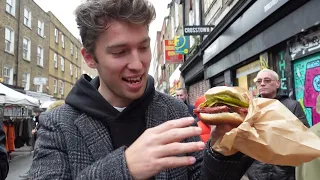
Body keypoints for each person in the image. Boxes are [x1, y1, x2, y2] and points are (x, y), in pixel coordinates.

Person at [28, 0, 254, 179]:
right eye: (119, 52)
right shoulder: (57, 124)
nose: (137, 64)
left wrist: (223, 148)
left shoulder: (175, 110)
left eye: (144, 47)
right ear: (90, 57)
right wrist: (124, 167)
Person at [245, 68, 310, 180]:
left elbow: (304, 136)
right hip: (257, 171)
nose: (262, 84)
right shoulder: (250, 108)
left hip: (284, 171)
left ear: (277, 83)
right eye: (259, 81)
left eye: (267, 80)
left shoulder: (292, 106)